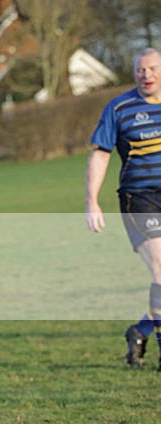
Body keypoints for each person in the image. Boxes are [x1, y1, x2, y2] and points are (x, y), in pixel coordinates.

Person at [86, 47, 161, 370]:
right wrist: (92, 200)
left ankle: (141, 330)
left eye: (153, 68)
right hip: (139, 198)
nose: (147, 75)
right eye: (141, 69)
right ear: (134, 73)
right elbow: (101, 154)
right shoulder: (119, 108)